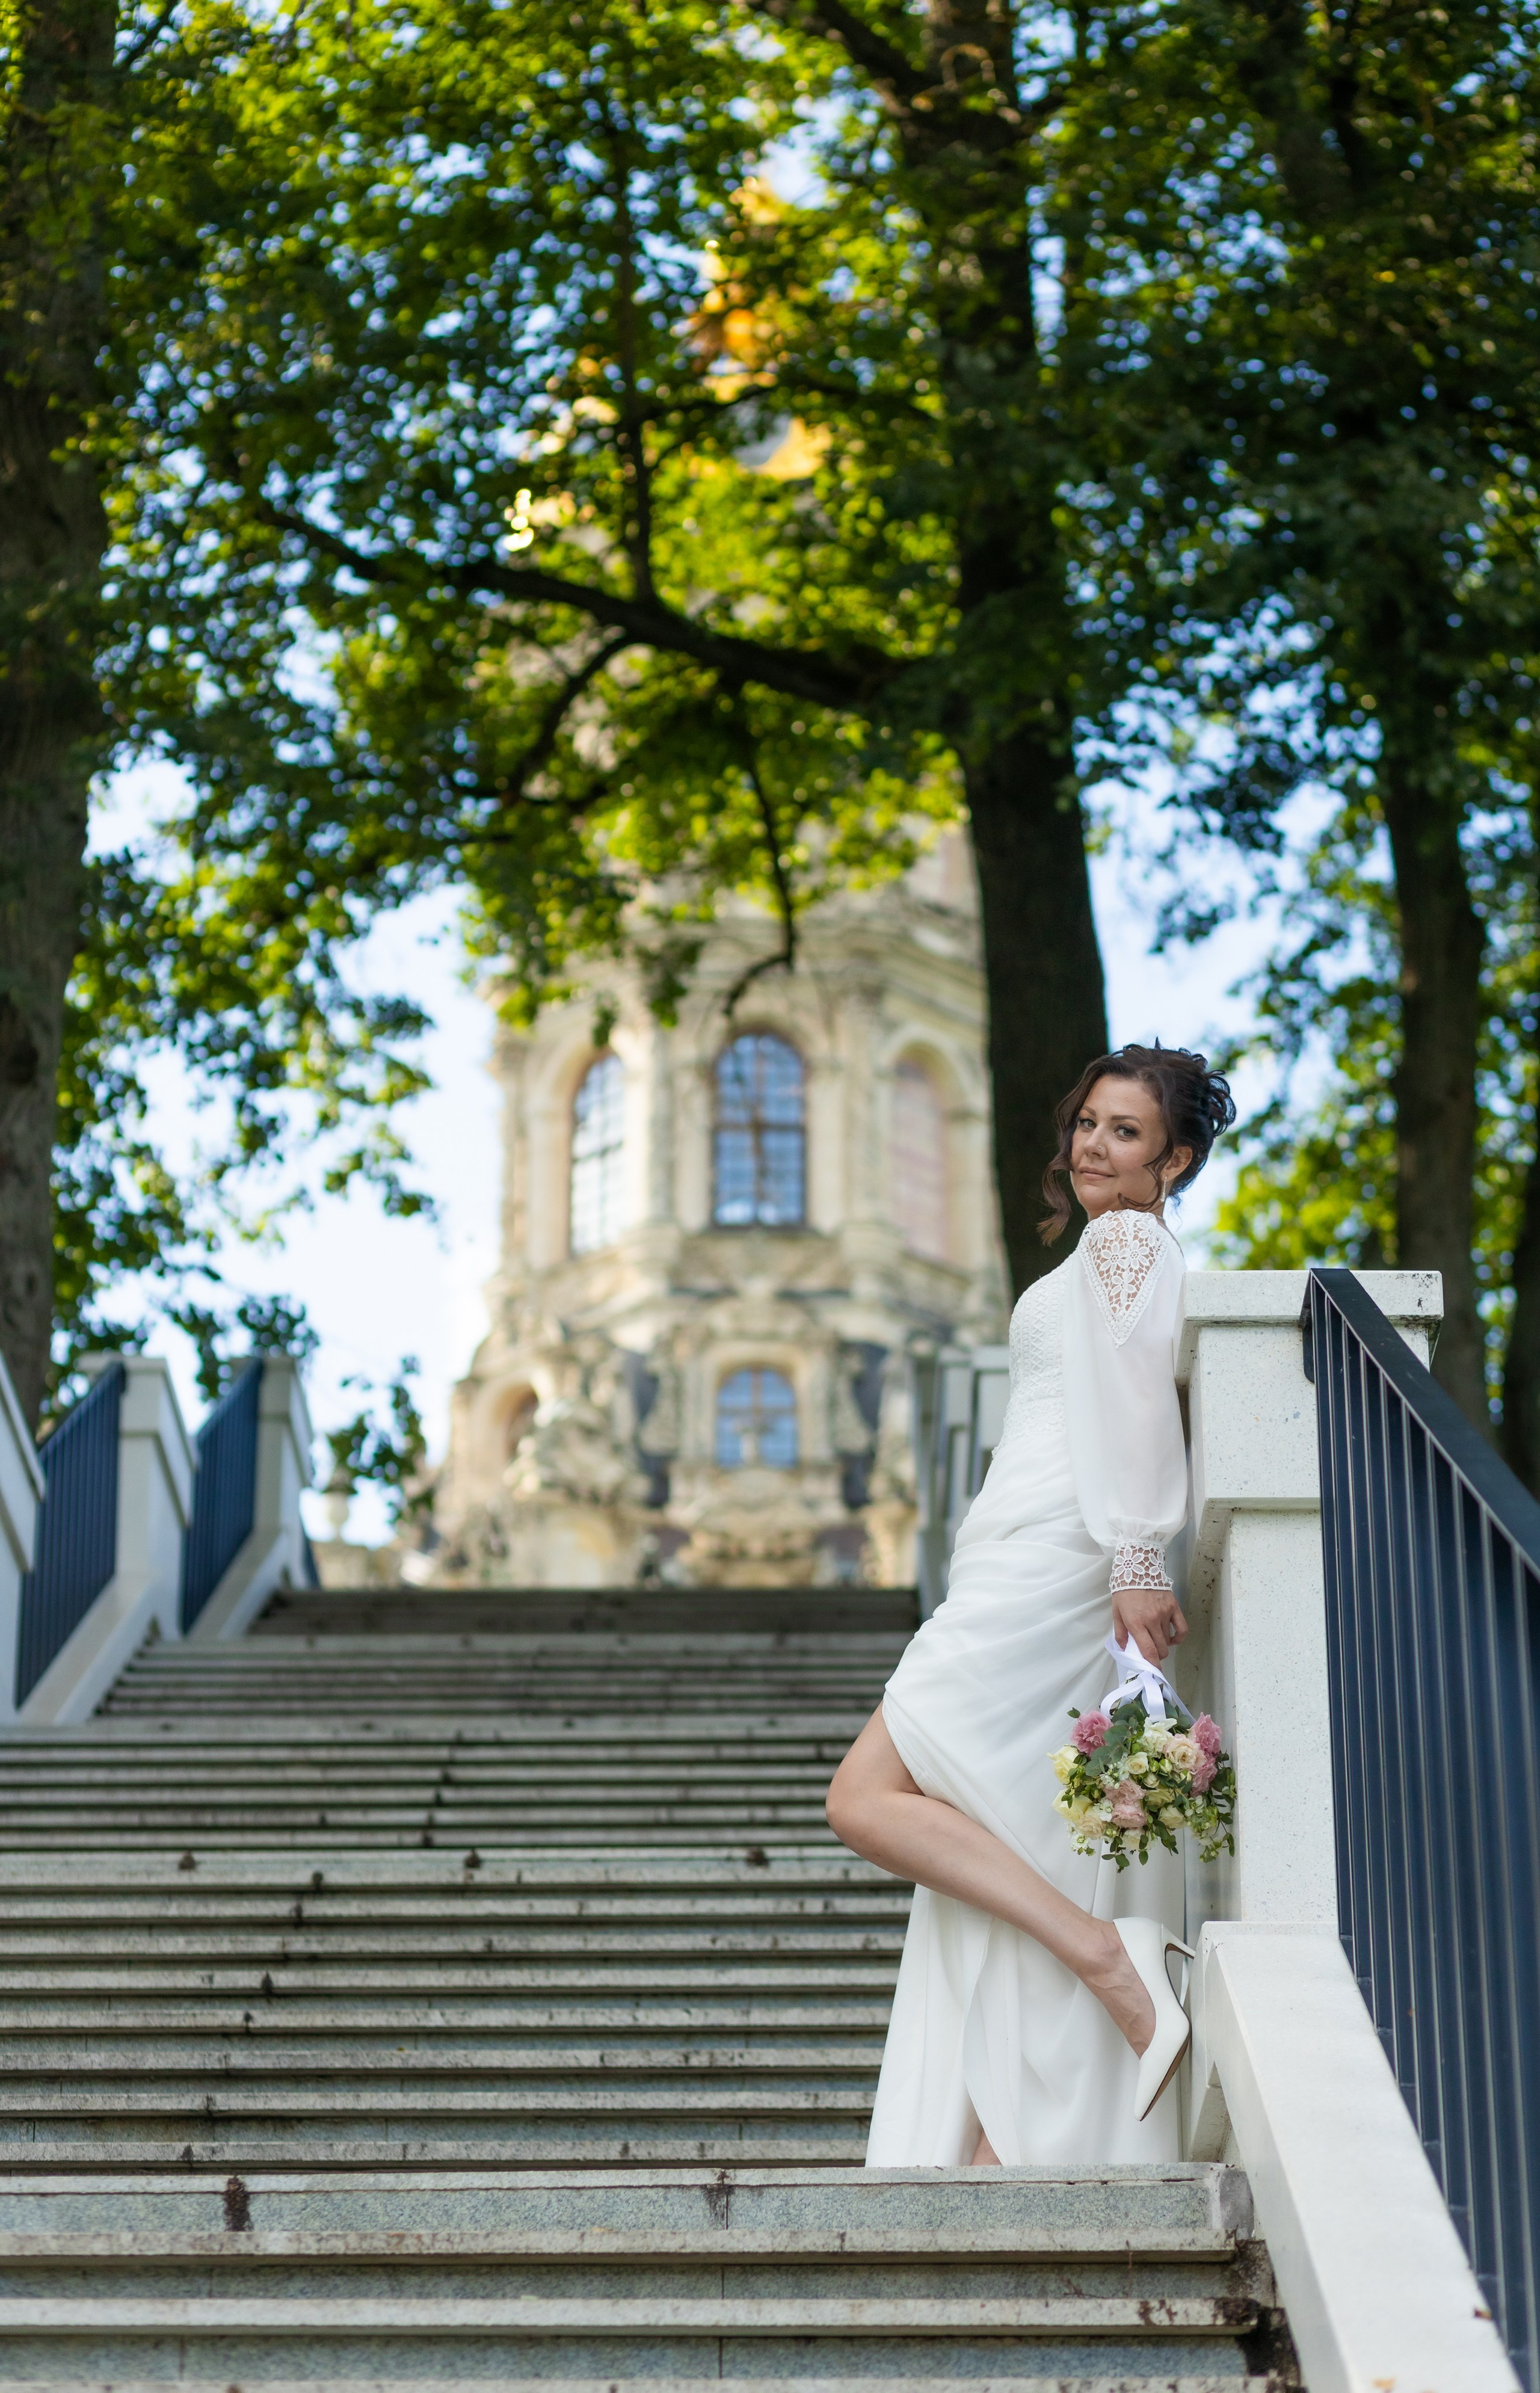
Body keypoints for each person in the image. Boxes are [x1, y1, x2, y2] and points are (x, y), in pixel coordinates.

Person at [827, 1043, 1236, 2167]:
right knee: (1013, 1839)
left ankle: (1109, 1959)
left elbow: (1137, 1397)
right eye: (1089, 1122)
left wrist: (1137, 1552)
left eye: (1127, 1132)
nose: (1094, 1146)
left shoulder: (1126, 1241)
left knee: (864, 1795)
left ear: (1173, 1161)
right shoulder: (1111, 1248)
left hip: (1060, 1557)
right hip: (1029, 1552)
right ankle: (1003, 2141)